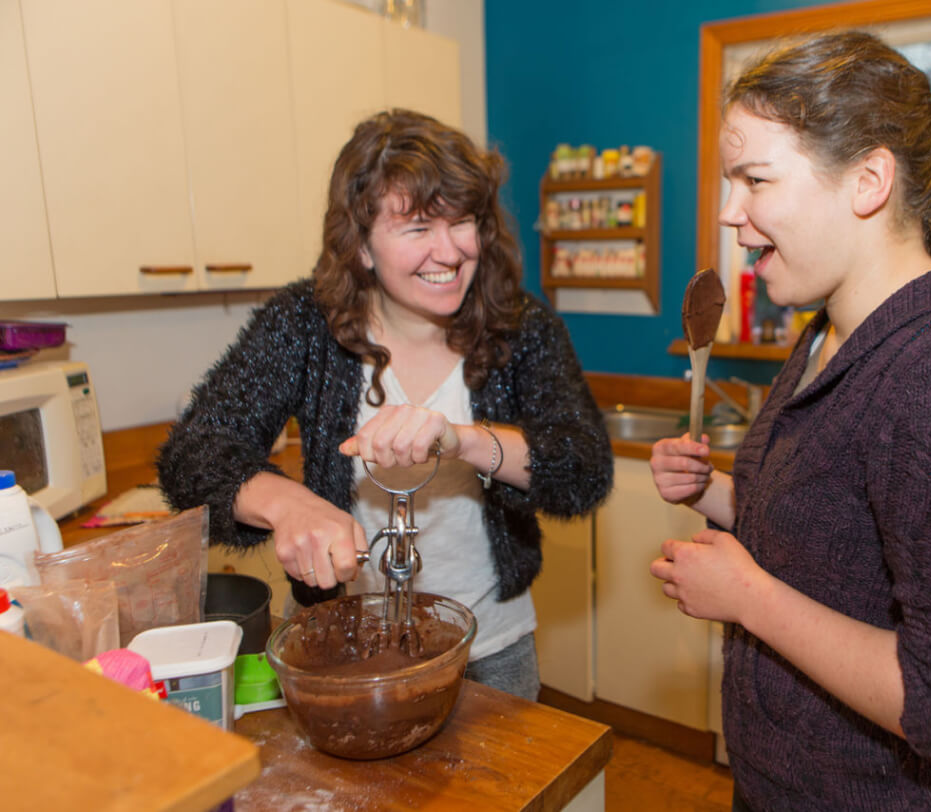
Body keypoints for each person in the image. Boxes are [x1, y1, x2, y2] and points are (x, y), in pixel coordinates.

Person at [648, 32, 931, 810]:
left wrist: (748, 596)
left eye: (754, 179)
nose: (729, 214)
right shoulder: (827, 331)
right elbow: (837, 536)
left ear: (866, 180)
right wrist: (716, 494)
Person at [158, 109, 613, 701]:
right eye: (418, 227)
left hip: (491, 650)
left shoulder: (521, 328)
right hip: (340, 643)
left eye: (464, 221)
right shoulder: (304, 323)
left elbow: (583, 468)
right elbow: (192, 456)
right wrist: (287, 504)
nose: (449, 251)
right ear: (362, 247)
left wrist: (464, 440)